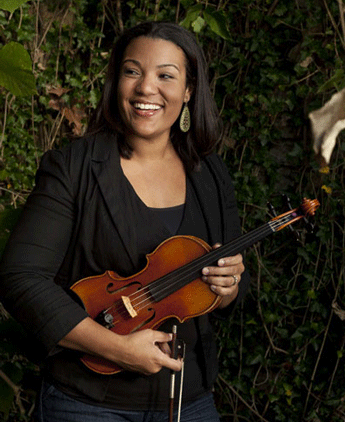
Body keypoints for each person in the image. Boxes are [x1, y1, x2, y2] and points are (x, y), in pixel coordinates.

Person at [0, 21, 249, 422]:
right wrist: (116, 349)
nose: (146, 88)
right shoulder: (73, 167)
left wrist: (229, 286)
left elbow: (231, 288)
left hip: (190, 400)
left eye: (166, 75)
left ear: (188, 92)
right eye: (133, 71)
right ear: (117, 80)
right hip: (85, 403)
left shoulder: (211, 174)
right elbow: (20, 278)